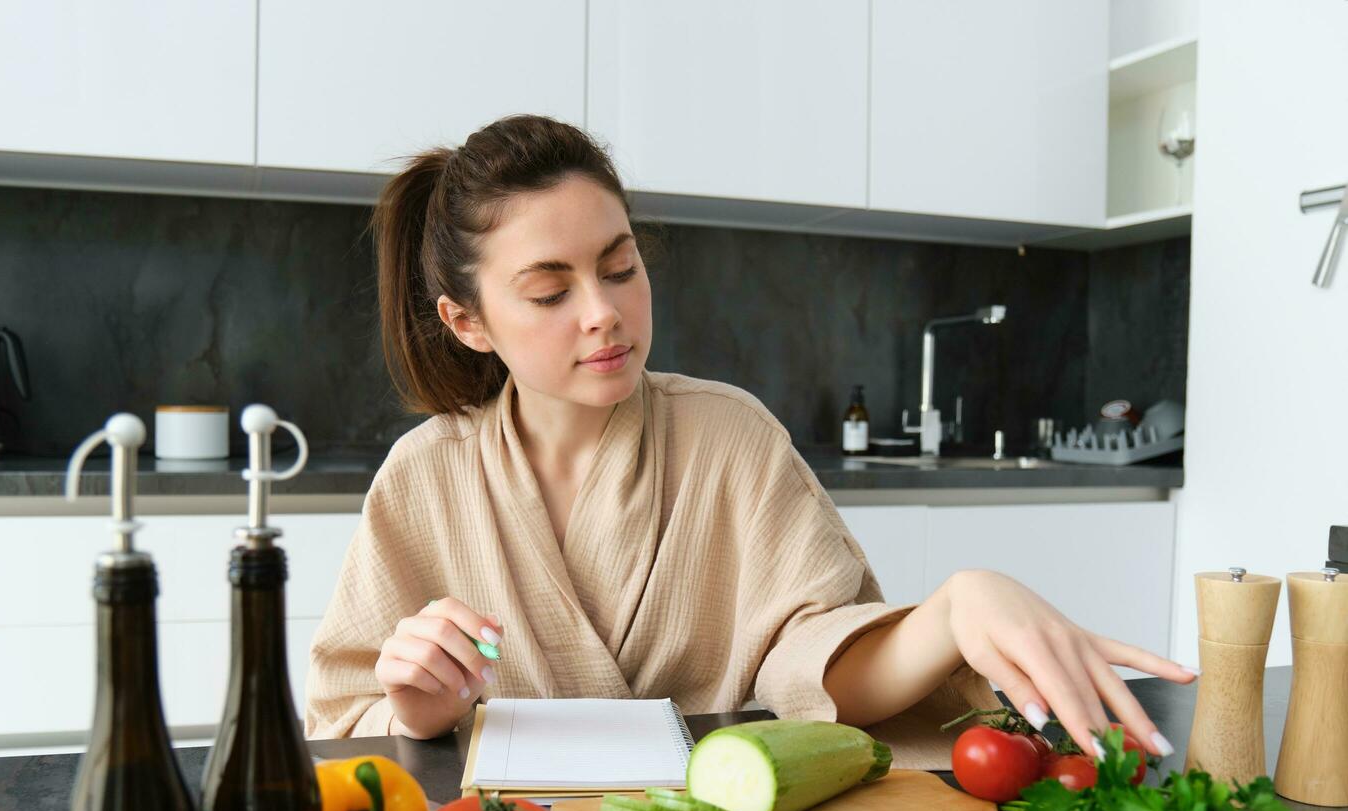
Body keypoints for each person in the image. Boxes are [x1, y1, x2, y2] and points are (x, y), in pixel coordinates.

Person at [305, 114, 1196, 766]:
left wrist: (956, 611)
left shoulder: (728, 436)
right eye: (550, 292)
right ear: (468, 323)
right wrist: (416, 708)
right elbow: (342, 728)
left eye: (621, 267)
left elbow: (818, 663)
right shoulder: (425, 478)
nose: (605, 313)